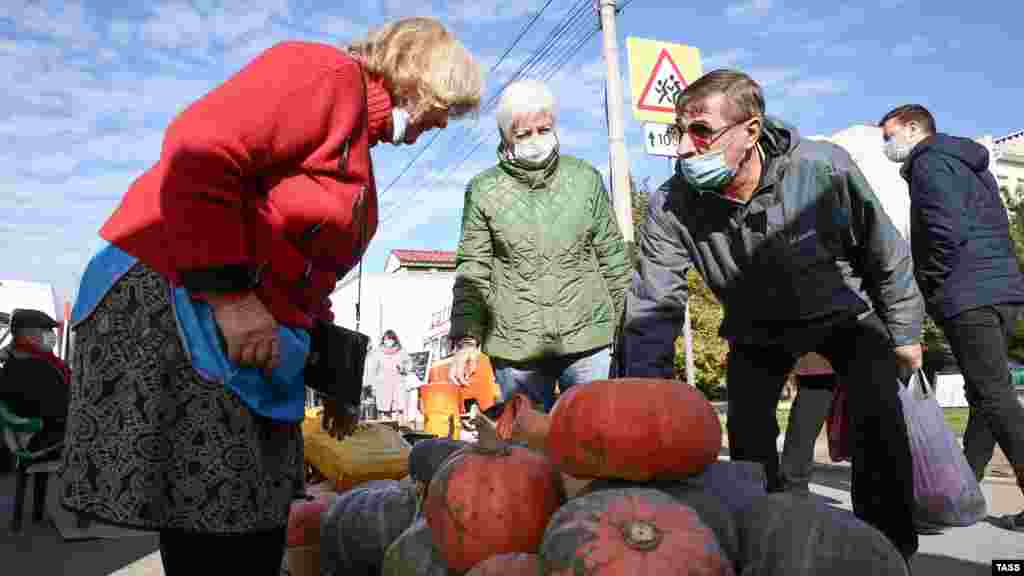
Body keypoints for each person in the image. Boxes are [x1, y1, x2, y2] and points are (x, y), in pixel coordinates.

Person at [59, 18, 481, 576]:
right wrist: (231, 297)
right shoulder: (324, 76)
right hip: (182, 294)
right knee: (217, 512)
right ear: (418, 78)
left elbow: (312, 286)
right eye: (445, 103)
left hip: (239, 319)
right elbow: (199, 149)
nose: (442, 121)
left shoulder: (358, 167)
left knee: (251, 513)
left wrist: (336, 380)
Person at [618, 69, 924, 562]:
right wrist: (645, 392)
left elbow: (883, 252)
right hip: (755, 325)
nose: (683, 148)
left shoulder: (823, 168)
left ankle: (889, 550)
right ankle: (764, 546)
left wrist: (906, 331)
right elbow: (655, 302)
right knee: (748, 436)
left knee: (877, 418)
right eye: (679, 131)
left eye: (701, 131)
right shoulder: (672, 205)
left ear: (751, 130)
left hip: (840, 310)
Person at [447, 79, 632, 413]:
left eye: (543, 129)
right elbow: (473, 269)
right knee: (529, 450)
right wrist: (467, 339)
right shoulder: (483, 190)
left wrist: (631, 327)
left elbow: (612, 257)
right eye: (523, 134)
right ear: (505, 136)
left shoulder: (584, 179)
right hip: (517, 350)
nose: (535, 141)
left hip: (589, 339)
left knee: (597, 440)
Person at [880, 104, 1024, 531]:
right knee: (986, 396)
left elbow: (945, 231)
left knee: (994, 396)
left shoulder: (930, 162)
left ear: (913, 128)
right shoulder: (968, 164)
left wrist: (934, 284)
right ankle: (964, 490)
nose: (887, 144)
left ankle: (961, 492)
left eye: (888, 134)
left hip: (969, 293)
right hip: (1002, 291)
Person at [0, 309, 70, 456]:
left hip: (38, 435)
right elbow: (59, 409)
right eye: (46, 330)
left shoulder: (20, 362)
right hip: (42, 438)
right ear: (28, 335)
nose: (52, 335)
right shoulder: (30, 368)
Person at [779, 353, 836, 496]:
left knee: (802, 431)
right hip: (819, 370)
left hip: (823, 368)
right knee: (802, 431)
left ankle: (794, 482)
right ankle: (794, 483)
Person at [363, 329, 409, 417]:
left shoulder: (401, 351)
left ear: (395, 340)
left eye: (391, 339)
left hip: (397, 384)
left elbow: (408, 364)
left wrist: (403, 368)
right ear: (383, 340)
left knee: (397, 410)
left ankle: (397, 428)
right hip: (383, 386)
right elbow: (373, 370)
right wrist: (373, 386)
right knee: (384, 411)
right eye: (386, 339)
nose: (388, 341)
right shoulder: (378, 352)